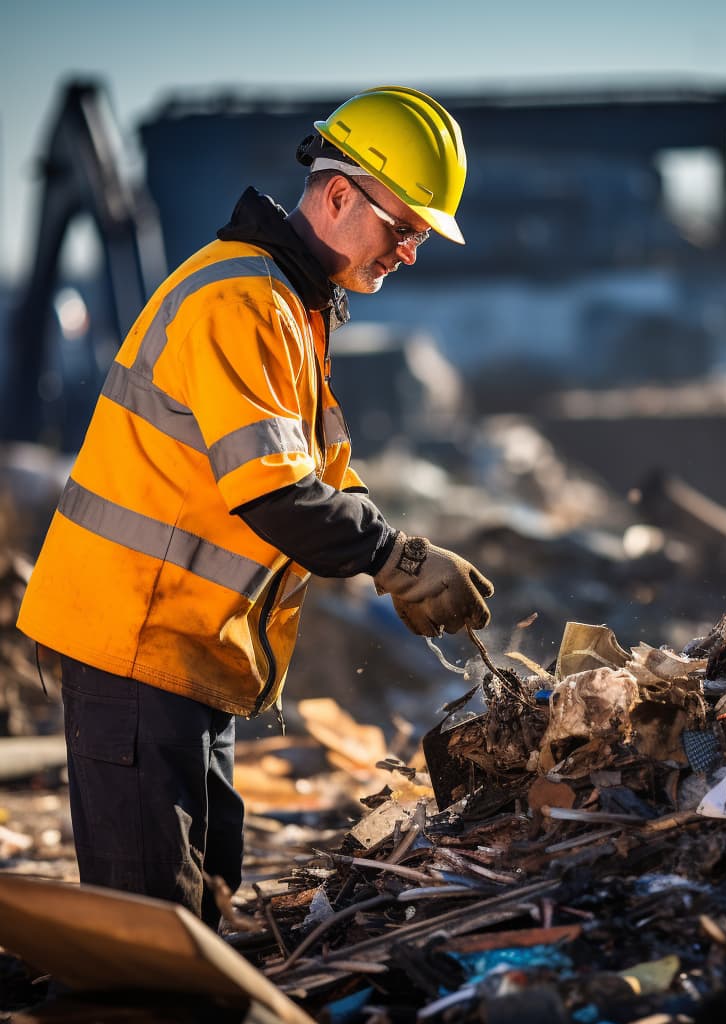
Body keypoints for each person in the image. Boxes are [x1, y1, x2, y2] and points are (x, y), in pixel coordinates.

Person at [16, 85, 494, 929]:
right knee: (152, 939)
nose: (411, 252)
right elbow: (275, 491)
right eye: (405, 227)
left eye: (420, 235)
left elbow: (324, 475)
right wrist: (396, 560)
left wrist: (405, 557)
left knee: (206, 911)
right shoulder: (244, 303)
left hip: (188, 650)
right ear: (340, 193)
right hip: (137, 642)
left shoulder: (294, 308)